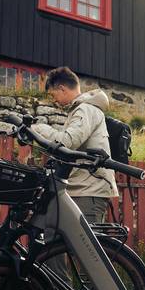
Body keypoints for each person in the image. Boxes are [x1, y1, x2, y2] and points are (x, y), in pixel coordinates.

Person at [29, 66, 118, 225]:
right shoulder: (80, 110)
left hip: (88, 191)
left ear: (62, 89)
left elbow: (67, 142)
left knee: (83, 249)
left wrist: (37, 129)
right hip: (81, 188)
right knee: (57, 243)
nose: (54, 100)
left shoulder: (85, 109)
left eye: (53, 94)